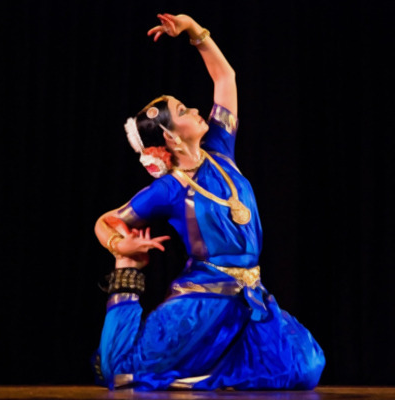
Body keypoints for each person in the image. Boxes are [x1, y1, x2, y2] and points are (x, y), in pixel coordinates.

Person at [92, 13, 325, 391]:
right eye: (183, 111)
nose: (196, 110)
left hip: (251, 299)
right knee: (122, 370)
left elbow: (225, 78)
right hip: (202, 302)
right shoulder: (168, 189)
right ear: (168, 136)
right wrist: (123, 247)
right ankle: (129, 292)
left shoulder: (220, 149)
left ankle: (208, 373)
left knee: (306, 366)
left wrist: (194, 31)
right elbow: (106, 220)